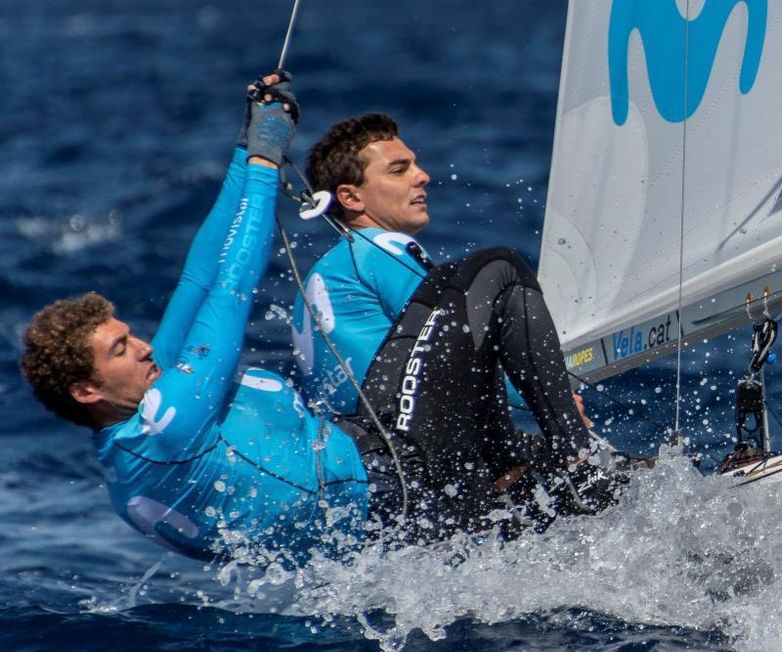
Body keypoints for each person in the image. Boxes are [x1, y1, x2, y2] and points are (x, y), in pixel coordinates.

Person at [21, 75, 620, 566]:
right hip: (393, 479)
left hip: (382, 520)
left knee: (577, 483)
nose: (146, 348)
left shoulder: (129, 455)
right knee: (498, 269)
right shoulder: (169, 422)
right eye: (121, 350)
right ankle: (577, 458)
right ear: (86, 389)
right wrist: (263, 162)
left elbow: (198, 277)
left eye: (130, 336)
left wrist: (245, 151)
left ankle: (656, 496)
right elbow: (229, 291)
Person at [291, 114, 616, 518]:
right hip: (406, 450)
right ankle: (581, 462)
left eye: (416, 164)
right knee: (500, 268)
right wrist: (558, 401)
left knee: (550, 471)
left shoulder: (327, 271)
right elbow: (458, 341)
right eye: (399, 169)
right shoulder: (375, 246)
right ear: (351, 198)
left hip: (369, 477)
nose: (422, 176)